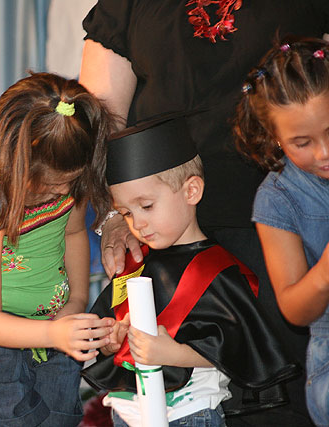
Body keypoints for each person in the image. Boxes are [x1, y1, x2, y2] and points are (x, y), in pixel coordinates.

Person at [79, 1, 329, 424]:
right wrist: (118, 214)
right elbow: (100, 120)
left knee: (277, 399)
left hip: (280, 228)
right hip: (163, 233)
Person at [82, 115, 299, 427]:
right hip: (127, 414)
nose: (137, 223)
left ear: (191, 191)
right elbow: (109, 331)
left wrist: (173, 354)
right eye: (126, 213)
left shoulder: (216, 270)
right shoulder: (134, 265)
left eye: (147, 206)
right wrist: (111, 342)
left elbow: (237, 349)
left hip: (189, 413)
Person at [0, 72, 117, 426]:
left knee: (59, 419)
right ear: (15, 162)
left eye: (67, 183)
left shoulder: (68, 170)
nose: (60, 192)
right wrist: (53, 334)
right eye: (47, 186)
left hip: (52, 326)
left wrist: (75, 303)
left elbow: (74, 234)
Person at [233, 37, 329, 427]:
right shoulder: (278, 199)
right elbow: (294, 309)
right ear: (275, 137)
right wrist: (324, 273)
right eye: (302, 143)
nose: (324, 153)